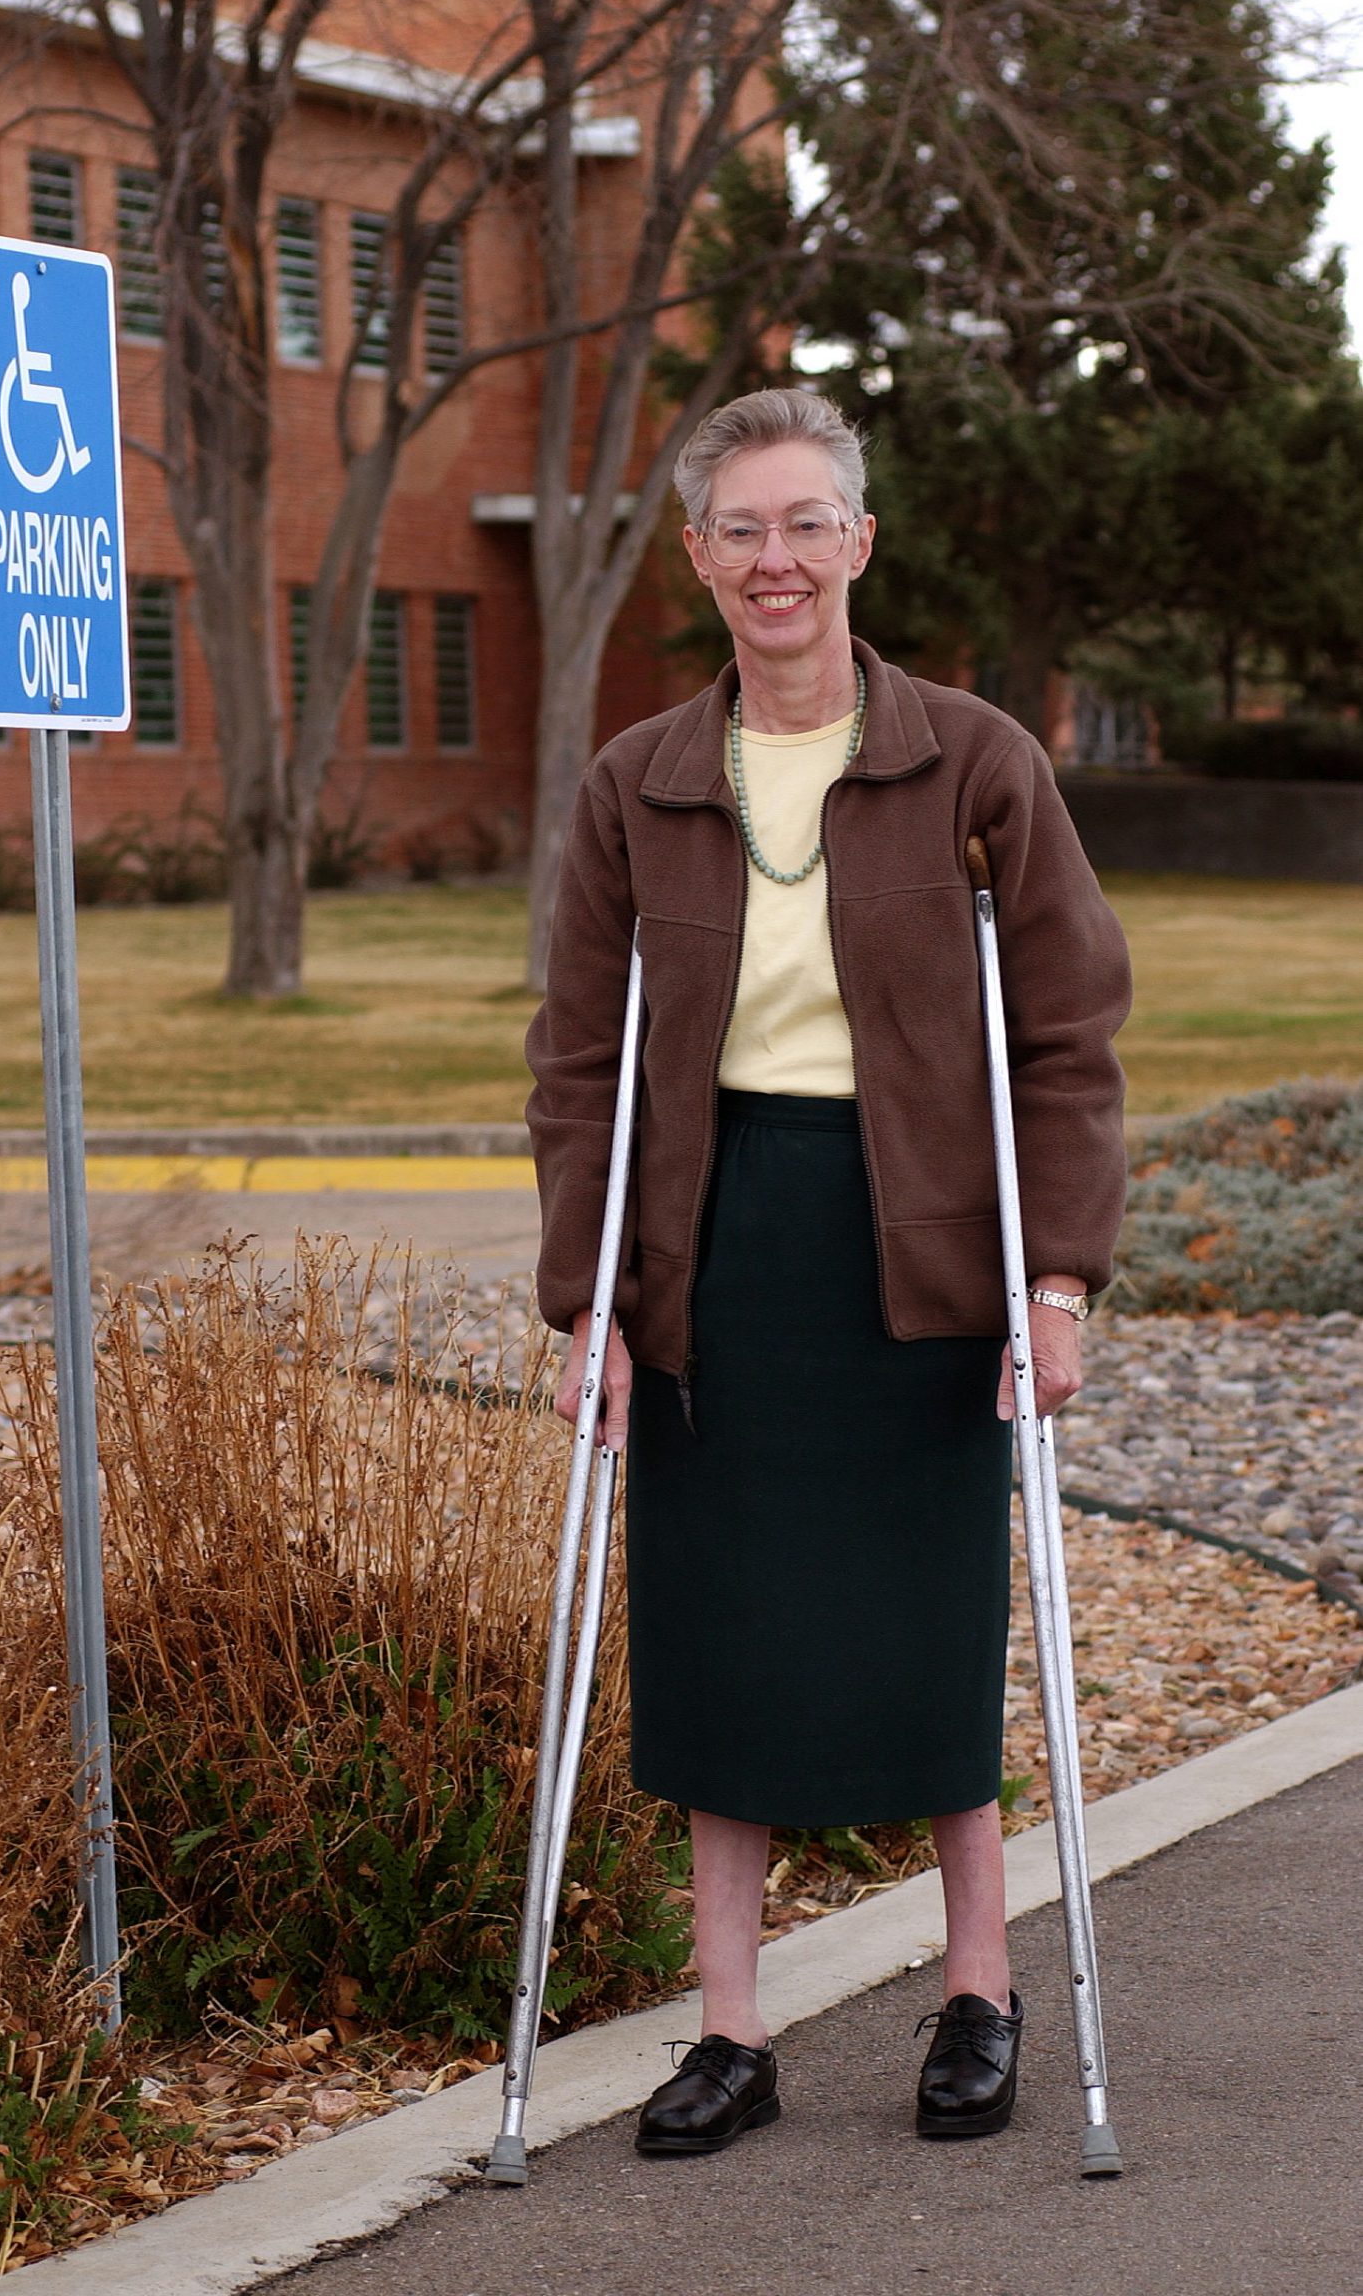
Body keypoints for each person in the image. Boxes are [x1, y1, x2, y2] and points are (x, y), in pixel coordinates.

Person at [525, 386, 1131, 2158]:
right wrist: (592, 1304)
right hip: (716, 1244)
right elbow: (579, 1061)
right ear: (699, 557)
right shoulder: (638, 781)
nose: (775, 561)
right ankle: (731, 2030)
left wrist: (1061, 1284)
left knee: (925, 1632)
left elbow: (1068, 1035)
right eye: (742, 530)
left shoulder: (973, 760)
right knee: (718, 1639)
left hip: (927, 1247)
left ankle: (976, 1990)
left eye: (808, 524)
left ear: (859, 543)